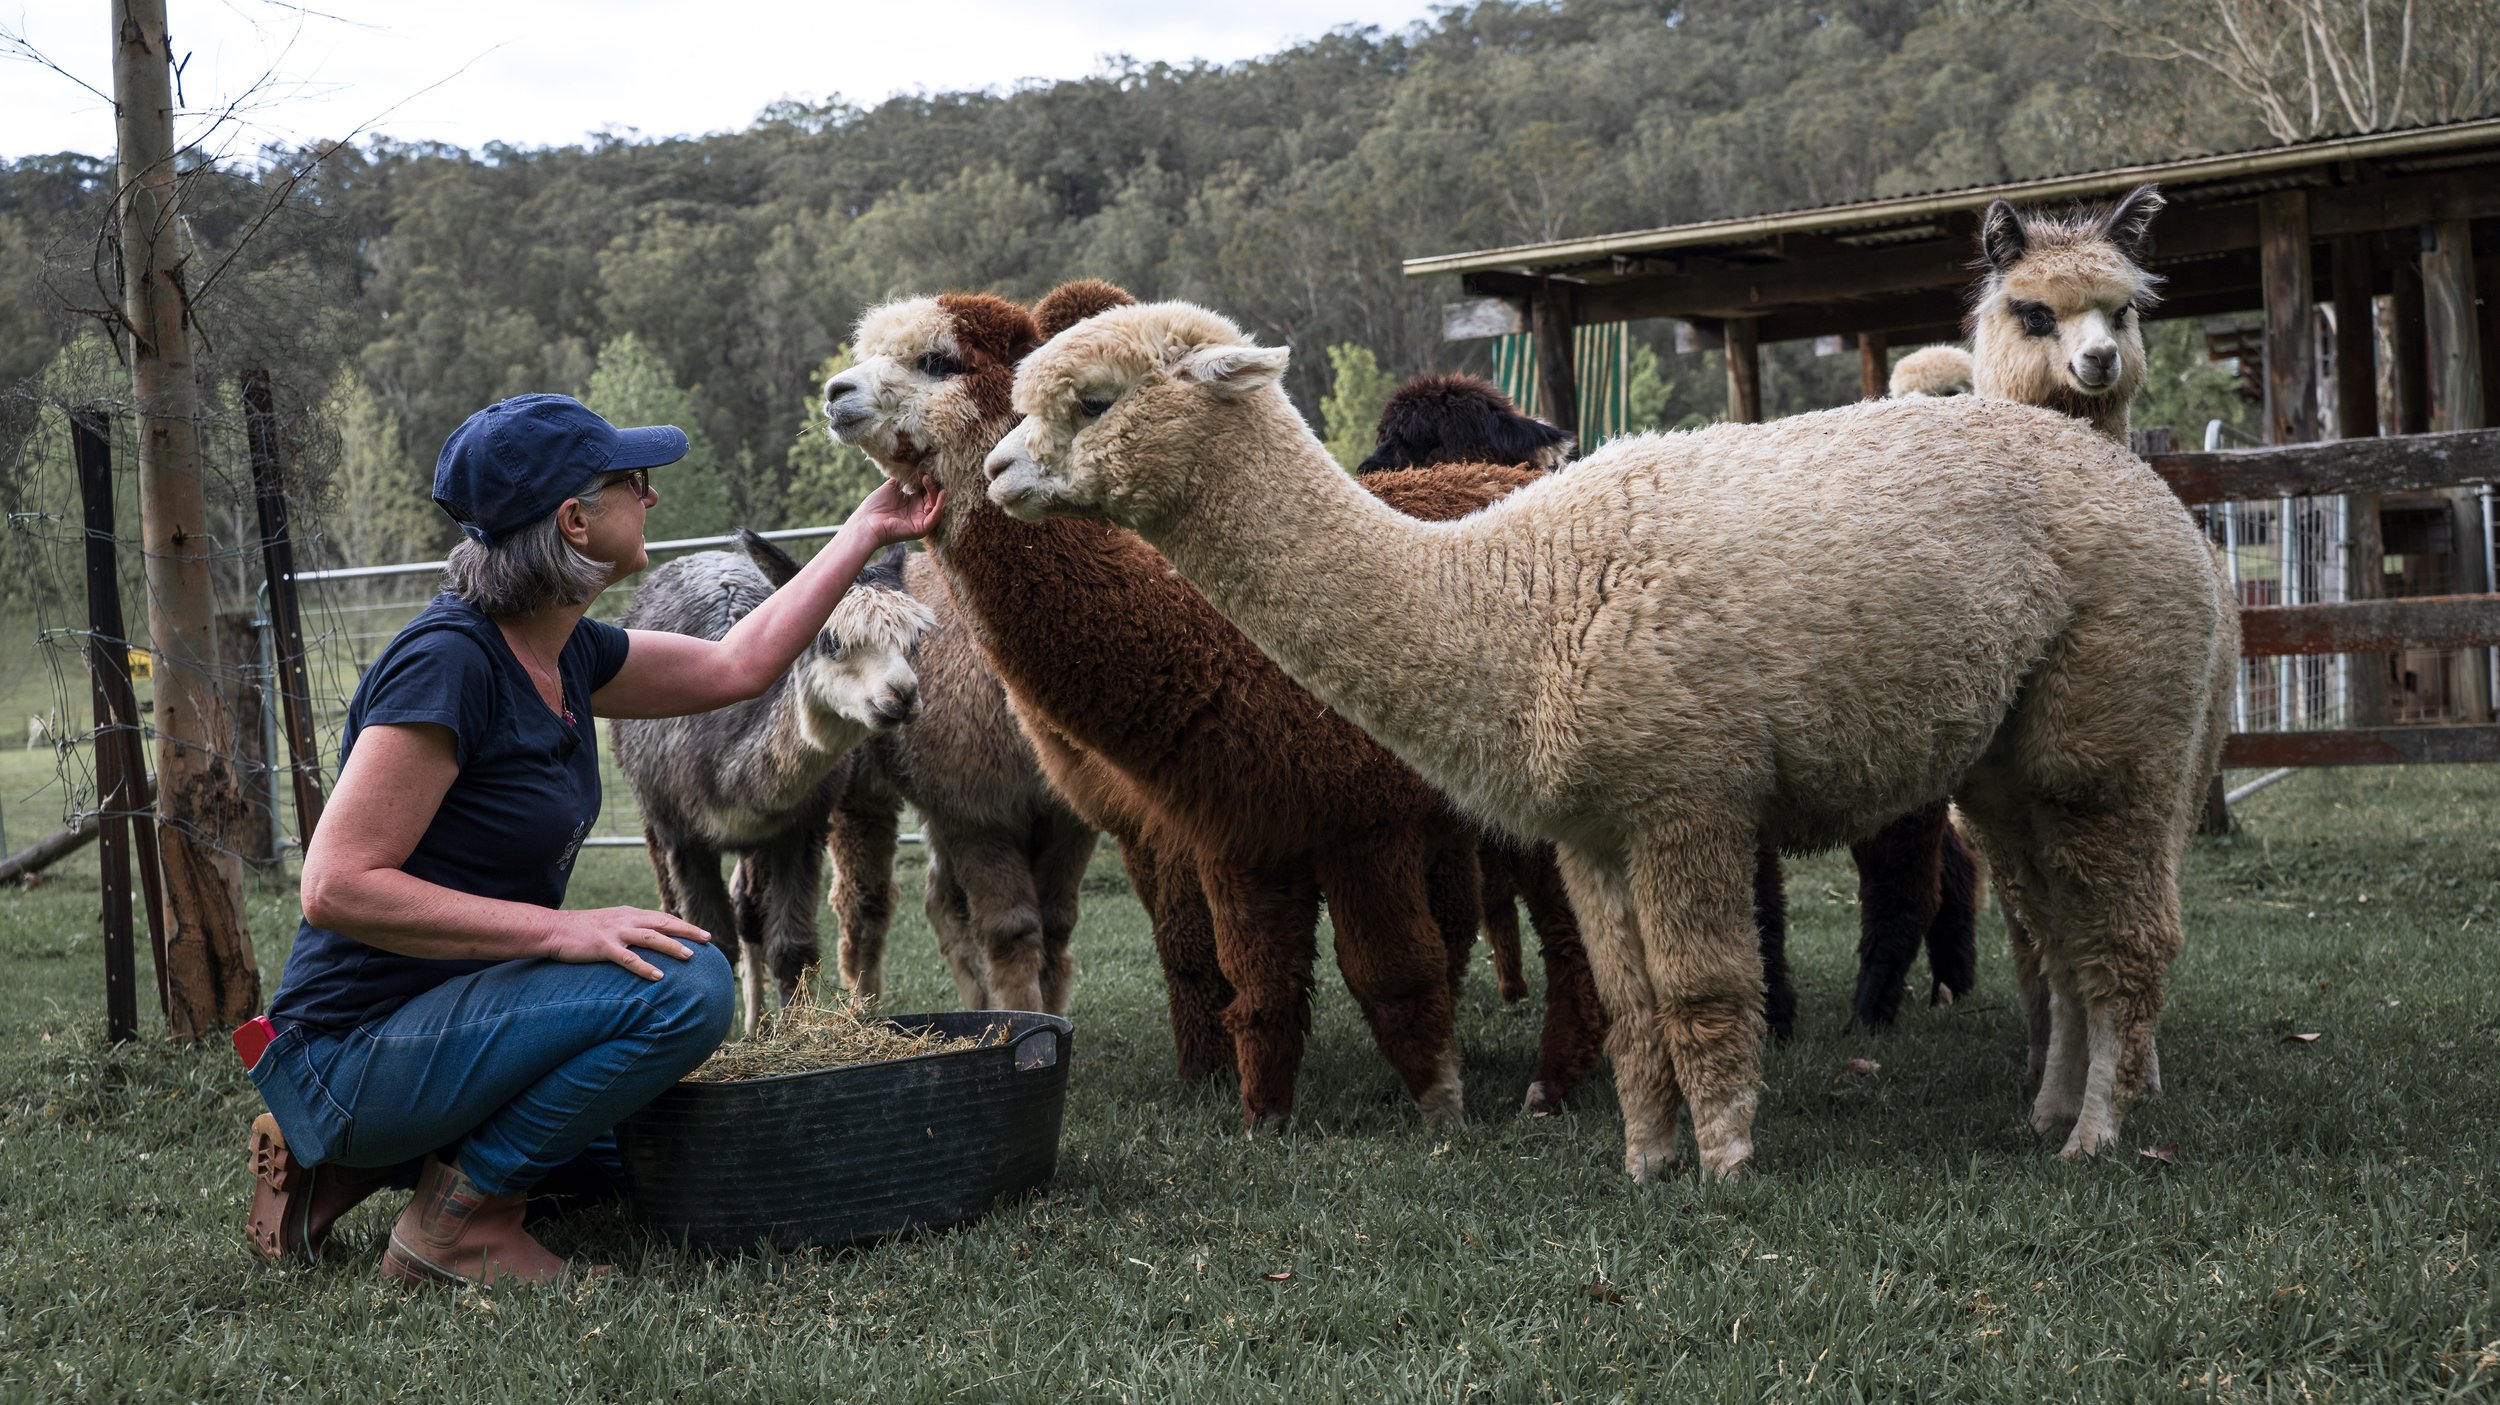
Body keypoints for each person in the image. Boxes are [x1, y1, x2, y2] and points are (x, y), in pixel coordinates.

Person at [241, 393, 942, 1286]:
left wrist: (867, 527)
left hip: (452, 1022)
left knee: (647, 1147)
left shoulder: (567, 649)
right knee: (688, 986)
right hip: (354, 1043)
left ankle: (344, 1166)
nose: (650, 498)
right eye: (633, 482)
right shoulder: (449, 662)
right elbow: (335, 886)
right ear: (575, 520)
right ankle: (454, 1225)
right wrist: (565, 929)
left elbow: (739, 664)